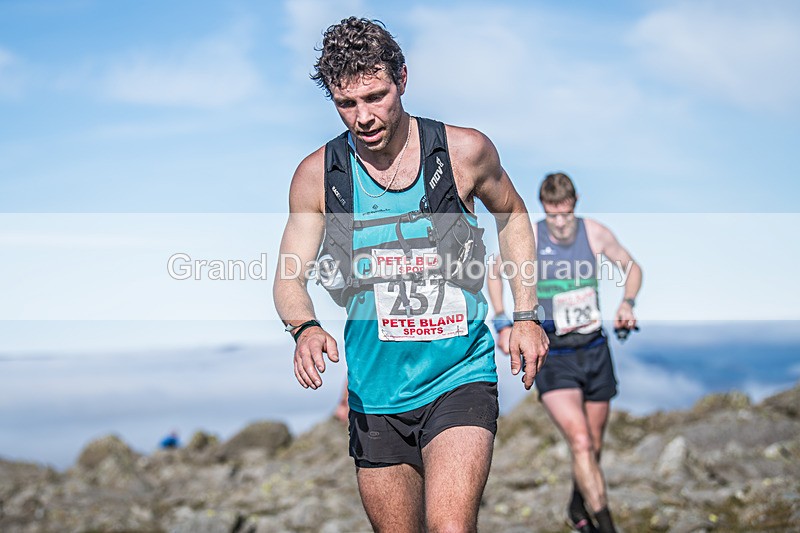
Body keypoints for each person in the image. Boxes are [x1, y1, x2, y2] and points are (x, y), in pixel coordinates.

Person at [273, 17, 549, 532]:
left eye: (376, 96)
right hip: (375, 394)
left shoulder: (464, 151)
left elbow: (511, 216)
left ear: (402, 77)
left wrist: (527, 314)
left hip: (459, 375)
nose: (364, 117)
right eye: (346, 104)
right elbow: (289, 278)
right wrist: (304, 327)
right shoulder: (318, 176)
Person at [487, 172, 642, 533]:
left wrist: (628, 303)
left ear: (575, 205)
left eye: (565, 213)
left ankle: (577, 506)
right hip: (554, 353)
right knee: (581, 440)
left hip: (594, 347)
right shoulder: (532, 236)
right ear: (544, 208)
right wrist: (501, 322)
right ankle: (606, 527)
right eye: (552, 214)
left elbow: (632, 269)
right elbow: (494, 273)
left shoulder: (594, 234)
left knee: (594, 445)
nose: (559, 223)